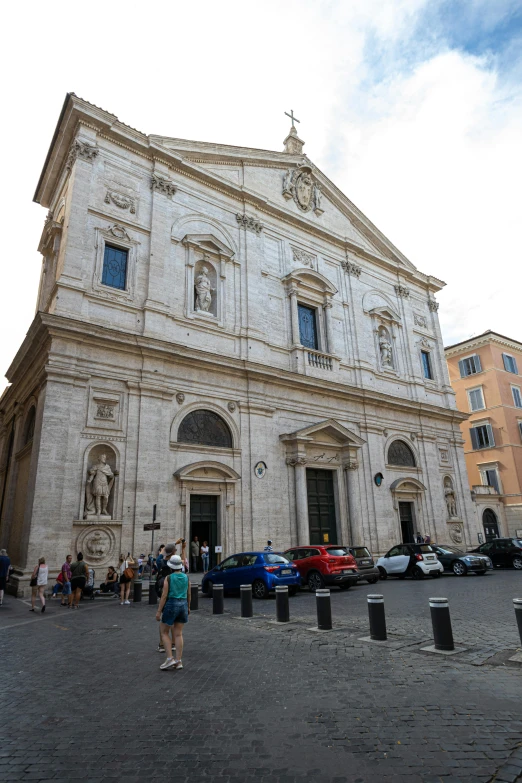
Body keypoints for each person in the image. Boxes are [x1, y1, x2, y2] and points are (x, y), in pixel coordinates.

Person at [156, 555, 190, 670]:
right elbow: (189, 594)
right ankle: (179, 661)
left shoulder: (169, 578)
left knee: (164, 632)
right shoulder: (186, 577)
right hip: (183, 605)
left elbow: (164, 595)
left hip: (171, 604)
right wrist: (188, 607)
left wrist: (159, 611)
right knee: (178, 634)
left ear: (171, 566)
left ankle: (170, 658)